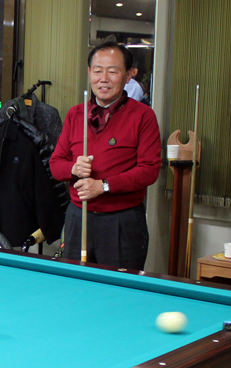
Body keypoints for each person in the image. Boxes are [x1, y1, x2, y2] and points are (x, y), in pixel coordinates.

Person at [50, 41, 162, 270]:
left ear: (128, 75)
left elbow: (149, 170)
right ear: (89, 73)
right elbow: (55, 164)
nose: (104, 79)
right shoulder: (76, 114)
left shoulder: (143, 116)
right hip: (78, 218)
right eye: (98, 71)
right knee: (75, 284)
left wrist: (103, 186)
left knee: (119, 287)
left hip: (121, 222)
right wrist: (73, 168)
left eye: (113, 71)